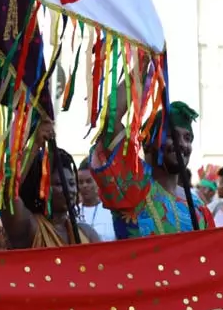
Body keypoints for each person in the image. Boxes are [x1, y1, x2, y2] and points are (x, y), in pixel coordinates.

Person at [88, 97, 214, 239]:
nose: (182, 144)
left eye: (188, 138)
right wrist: (141, 76)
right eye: (172, 135)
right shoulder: (130, 186)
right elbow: (112, 117)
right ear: (148, 142)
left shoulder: (199, 207)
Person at [1, 147, 99, 249]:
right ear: (39, 189)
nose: (69, 189)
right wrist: (34, 144)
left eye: (71, 183)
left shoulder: (87, 234)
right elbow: (9, 192)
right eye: (59, 184)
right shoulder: (29, 227)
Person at [76, 158, 114, 242]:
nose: (84, 185)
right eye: (80, 182)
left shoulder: (110, 211)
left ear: (97, 182)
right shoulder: (72, 212)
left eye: (89, 181)